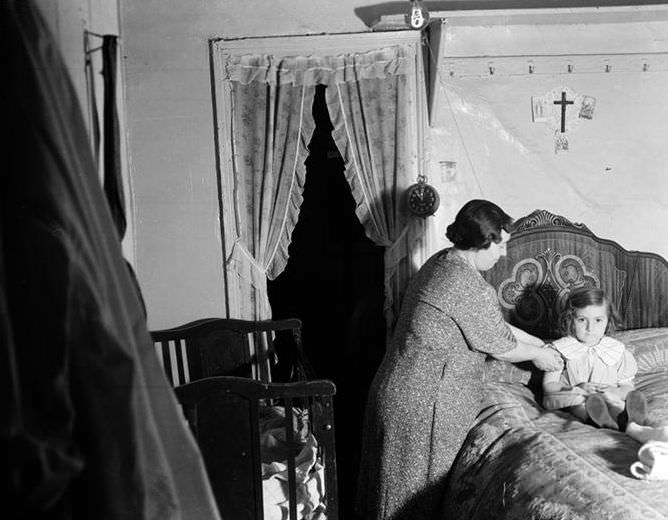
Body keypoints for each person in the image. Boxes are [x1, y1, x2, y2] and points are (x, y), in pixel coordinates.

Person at [355, 199, 563, 520]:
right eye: (501, 245)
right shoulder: (468, 285)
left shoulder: (444, 263)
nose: (504, 254)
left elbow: (490, 323)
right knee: (407, 506)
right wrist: (540, 356)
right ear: (483, 242)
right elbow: (501, 347)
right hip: (423, 407)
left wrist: (540, 343)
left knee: (386, 499)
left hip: (401, 394)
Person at [542, 287, 668, 444]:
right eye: (581, 320)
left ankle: (631, 423)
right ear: (570, 319)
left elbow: (627, 387)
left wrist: (615, 391)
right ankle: (597, 419)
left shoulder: (616, 350)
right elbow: (549, 386)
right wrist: (579, 387)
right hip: (576, 396)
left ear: (608, 320)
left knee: (615, 402)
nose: (590, 328)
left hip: (608, 395)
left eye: (598, 320)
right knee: (581, 404)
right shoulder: (560, 349)